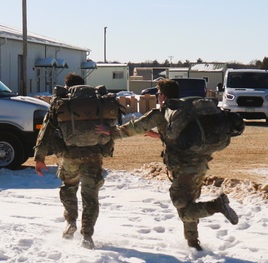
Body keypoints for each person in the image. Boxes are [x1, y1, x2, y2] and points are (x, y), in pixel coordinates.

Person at [101, 78, 239, 251]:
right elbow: (183, 136)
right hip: (200, 163)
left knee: (183, 207)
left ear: (163, 95)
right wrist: (158, 136)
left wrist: (111, 132)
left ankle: (217, 205)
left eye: (158, 94)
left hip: (184, 168)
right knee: (189, 204)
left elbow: (135, 127)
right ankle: (193, 244)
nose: (157, 97)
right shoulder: (183, 112)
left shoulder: (162, 114)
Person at [34, 72, 117, 249]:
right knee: (90, 196)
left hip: (70, 155)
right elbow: (112, 127)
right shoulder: (98, 101)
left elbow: (46, 131)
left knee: (69, 188)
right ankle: (87, 235)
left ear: (67, 85)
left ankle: (71, 221)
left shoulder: (62, 102)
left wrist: (39, 158)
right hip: (94, 155)